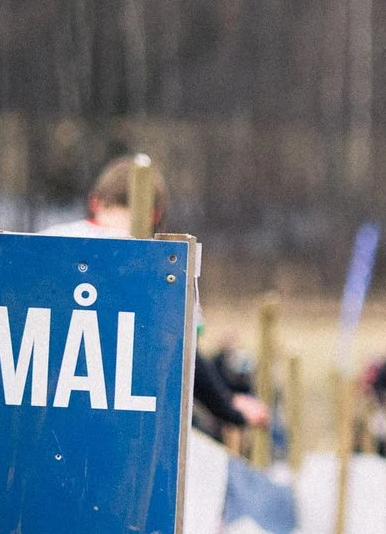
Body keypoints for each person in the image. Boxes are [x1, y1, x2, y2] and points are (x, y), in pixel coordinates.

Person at [43, 157, 271, 438]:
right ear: (155, 216)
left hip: (45, 412)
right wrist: (230, 408)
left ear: (94, 202)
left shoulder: (44, 241)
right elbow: (183, 350)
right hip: (122, 425)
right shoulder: (159, 266)